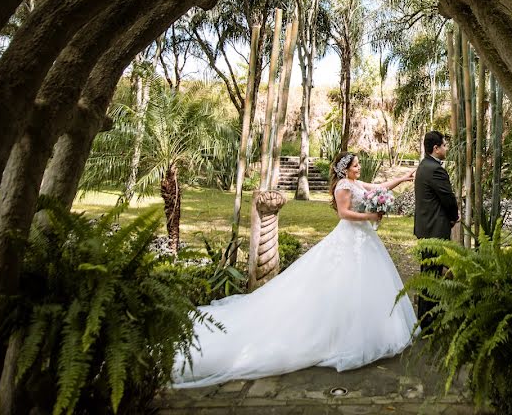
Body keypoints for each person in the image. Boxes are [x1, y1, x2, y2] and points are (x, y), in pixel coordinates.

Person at [172, 151, 416, 388]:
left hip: (364, 240)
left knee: (363, 286)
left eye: (359, 164)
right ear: (345, 169)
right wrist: (370, 216)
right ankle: (342, 337)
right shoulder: (343, 186)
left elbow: (380, 186)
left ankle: (368, 333)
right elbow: (343, 214)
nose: (358, 167)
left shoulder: (355, 182)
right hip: (350, 239)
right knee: (343, 284)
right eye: (355, 165)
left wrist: (403, 178)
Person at [413, 131, 459, 329]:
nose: (446, 149)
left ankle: (425, 318)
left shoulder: (423, 166)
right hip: (435, 230)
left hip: (425, 227)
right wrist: (453, 217)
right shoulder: (435, 170)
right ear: (436, 148)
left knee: (428, 274)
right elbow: (448, 199)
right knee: (432, 276)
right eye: (444, 145)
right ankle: (429, 322)